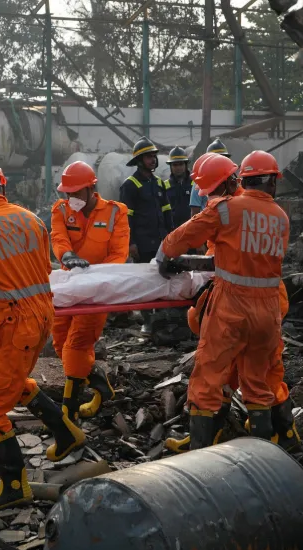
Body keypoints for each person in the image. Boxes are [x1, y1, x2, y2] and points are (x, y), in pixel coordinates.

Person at [0, 159, 86, 509]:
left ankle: (14, 488)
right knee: (14, 379)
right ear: (3, 187)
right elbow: (41, 269)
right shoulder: (32, 219)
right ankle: (66, 433)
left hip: (13, 324)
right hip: (42, 316)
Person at [156, 150, 289, 450]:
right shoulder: (281, 218)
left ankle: (197, 462)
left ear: (240, 179)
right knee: (257, 385)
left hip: (232, 308)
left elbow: (181, 237)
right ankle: (266, 464)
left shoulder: (227, 210)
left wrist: (165, 254)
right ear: (272, 183)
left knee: (206, 382)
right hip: (268, 312)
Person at [50, 160, 130, 421]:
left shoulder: (115, 213)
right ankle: (99, 384)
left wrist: (95, 278)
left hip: (97, 290)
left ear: (91, 189)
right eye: (67, 193)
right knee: (60, 342)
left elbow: (119, 253)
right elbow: (58, 237)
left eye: (75, 193)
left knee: (76, 346)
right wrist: (68, 255)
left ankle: (68, 414)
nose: (70, 198)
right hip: (69, 286)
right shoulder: (61, 211)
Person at [118, 136, 171, 264]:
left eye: (154, 156)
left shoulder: (159, 183)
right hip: (142, 247)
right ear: (139, 161)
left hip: (161, 244)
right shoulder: (130, 185)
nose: (153, 160)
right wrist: (131, 243)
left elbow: (167, 214)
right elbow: (125, 218)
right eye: (148, 157)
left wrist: (171, 238)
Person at [189, 138, 231, 217]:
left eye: (222, 158)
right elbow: (195, 211)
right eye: (216, 159)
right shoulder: (199, 182)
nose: (220, 162)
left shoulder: (231, 180)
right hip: (208, 224)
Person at [163, 147, 194, 227]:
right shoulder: (164, 187)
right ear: (170, 166)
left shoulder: (195, 184)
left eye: (181, 164)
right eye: (175, 165)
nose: (178, 168)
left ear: (186, 165)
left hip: (192, 229)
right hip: (173, 230)